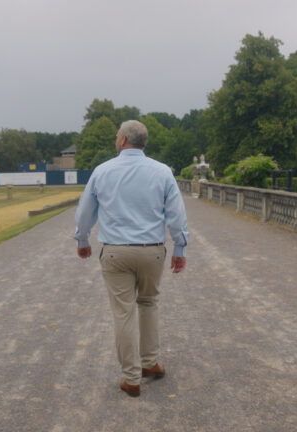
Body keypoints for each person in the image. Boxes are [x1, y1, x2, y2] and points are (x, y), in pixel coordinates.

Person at [74, 120, 189, 397]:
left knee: (123, 312)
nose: (116, 139)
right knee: (149, 304)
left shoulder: (102, 171)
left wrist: (82, 239)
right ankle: (150, 363)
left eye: (117, 136)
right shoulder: (162, 172)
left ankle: (131, 377)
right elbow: (176, 213)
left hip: (115, 250)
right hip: (151, 249)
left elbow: (85, 211)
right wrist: (180, 248)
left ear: (123, 140)